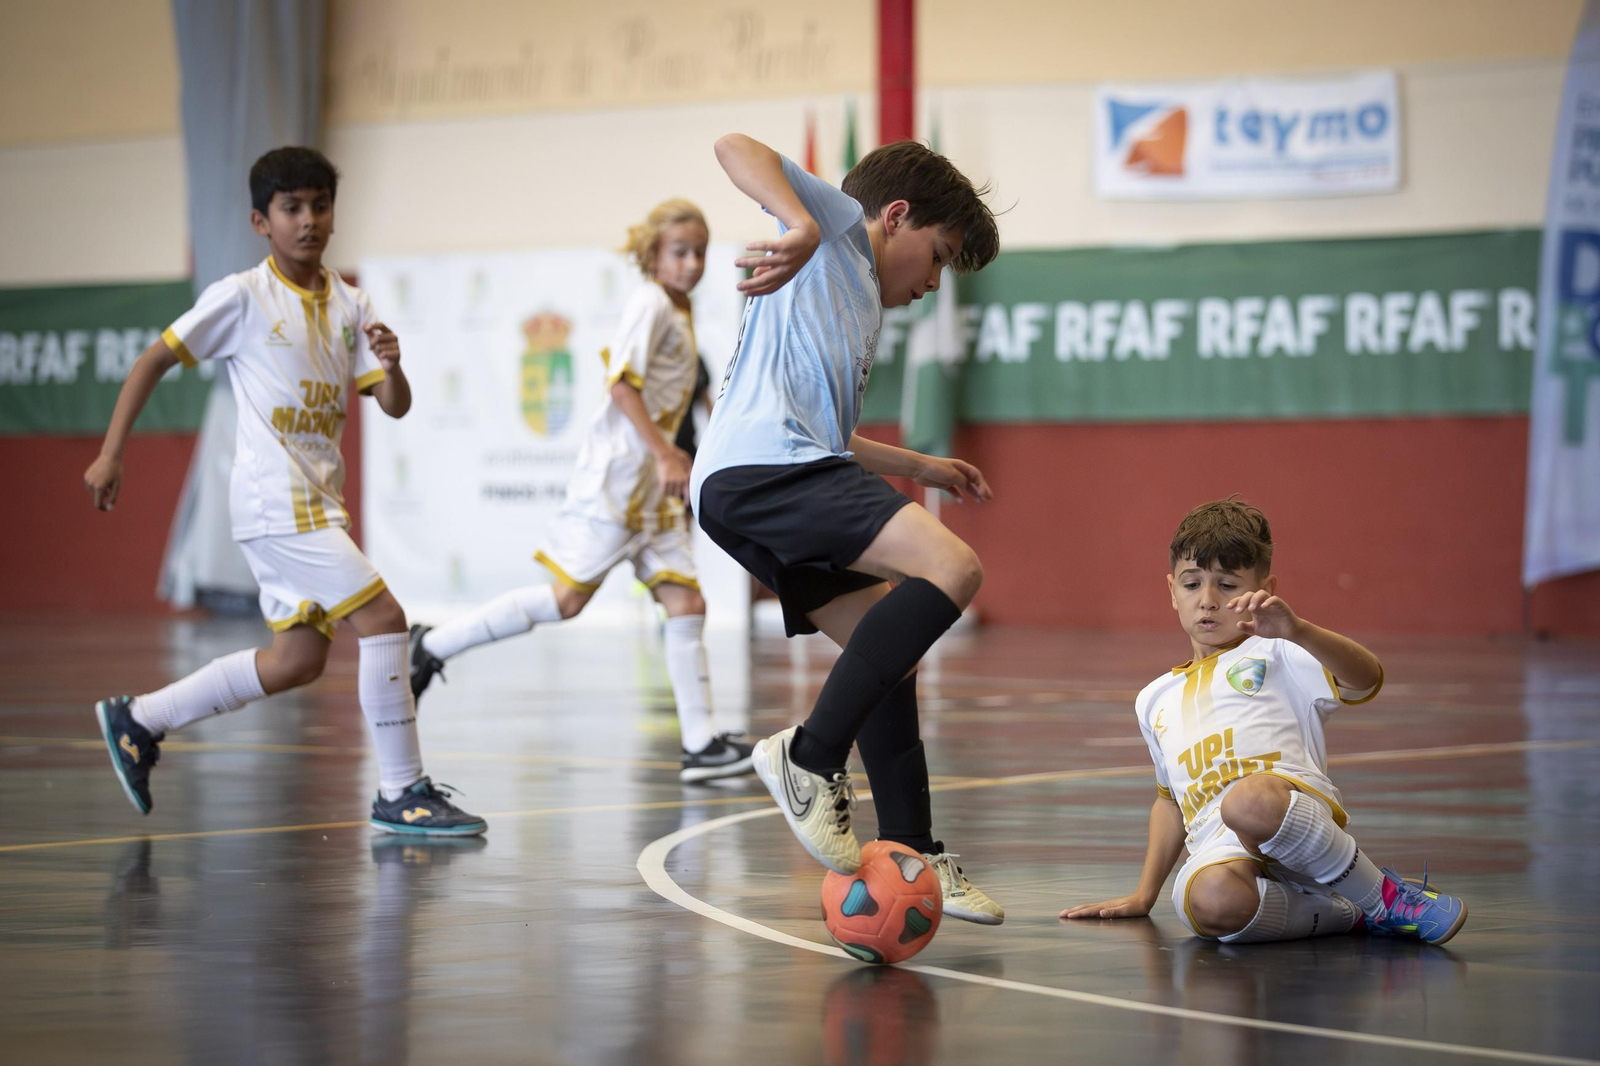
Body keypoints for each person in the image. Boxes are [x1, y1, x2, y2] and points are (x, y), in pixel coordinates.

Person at [84, 147, 484, 836]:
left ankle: (140, 719)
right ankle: (401, 791)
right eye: (291, 208)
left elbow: (393, 405)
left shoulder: (351, 301)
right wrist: (111, 452)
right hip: (276, 503)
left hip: (318, 502)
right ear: (260, 221)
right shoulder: (243, 296)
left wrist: (393, 366)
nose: (308, 221)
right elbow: (154, 359)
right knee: (385, 621)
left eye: (319, 206)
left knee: (297, 660)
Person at [690, 133, 1005, 924]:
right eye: (936, 257)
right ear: (895, 217)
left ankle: (913, 850)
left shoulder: (858, 298)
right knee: (954, 569)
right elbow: (734, 146)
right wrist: (797, 219)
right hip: (767, 470)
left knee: (887, 659)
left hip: (761, 475)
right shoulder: (835, 229)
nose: (933, 283)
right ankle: (808, 755)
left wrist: (921, 465)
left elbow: (833, 438)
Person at [407, 199, 754, 784]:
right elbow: (621, 386)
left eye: (700, 250)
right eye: (680, 251)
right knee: (567, 600)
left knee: (686, 602)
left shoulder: (681, 306)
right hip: (622, 478)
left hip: (655, 488)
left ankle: (700, 744)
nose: (693, 262)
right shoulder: (648, 303)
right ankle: (434, 644)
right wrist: (666, 450)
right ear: (653, 256)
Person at [1062, 498, 1467, 944]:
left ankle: (1385, 899)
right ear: (1171, 591)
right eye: (1192, 584)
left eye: (1229, 585)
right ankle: (1351, 912)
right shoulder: (1152, 698)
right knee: (1209, 904)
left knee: (1247, 802)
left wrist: (1298, 630)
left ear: (1265, 588)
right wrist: (1144, 894)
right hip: (1220, 848)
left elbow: (1366, 678)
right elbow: (1170, 802)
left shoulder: (1282, 649)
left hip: (1289, 821)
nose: (1209, 600)